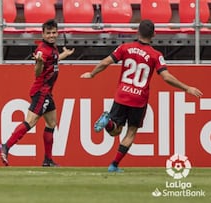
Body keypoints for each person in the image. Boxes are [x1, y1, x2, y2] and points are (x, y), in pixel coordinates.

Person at [80, 19, 203, 172]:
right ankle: (114, 165)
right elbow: (166, 77)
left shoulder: (125, 48)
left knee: (115, 131)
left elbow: (105, 62)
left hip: (122, 95)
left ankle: (109, 123)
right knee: (130, 132)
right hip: (138, 100)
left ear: (137, 32)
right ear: (154, 34)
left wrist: (92, 74)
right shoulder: (155, 55)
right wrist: (187, 88)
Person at [0, 19, 75, 167]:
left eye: (54, 32)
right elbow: (37, 72)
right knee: (30, 122)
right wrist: (38, 63)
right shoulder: (42, 50)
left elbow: (53, 61)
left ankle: (47, 160)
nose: (52, 35)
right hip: (42, 92)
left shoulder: (52, 48)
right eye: (49, 33)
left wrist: (65, 54)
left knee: (51, 123)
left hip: (47, 93)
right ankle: (5, 146)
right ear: (43, 34)